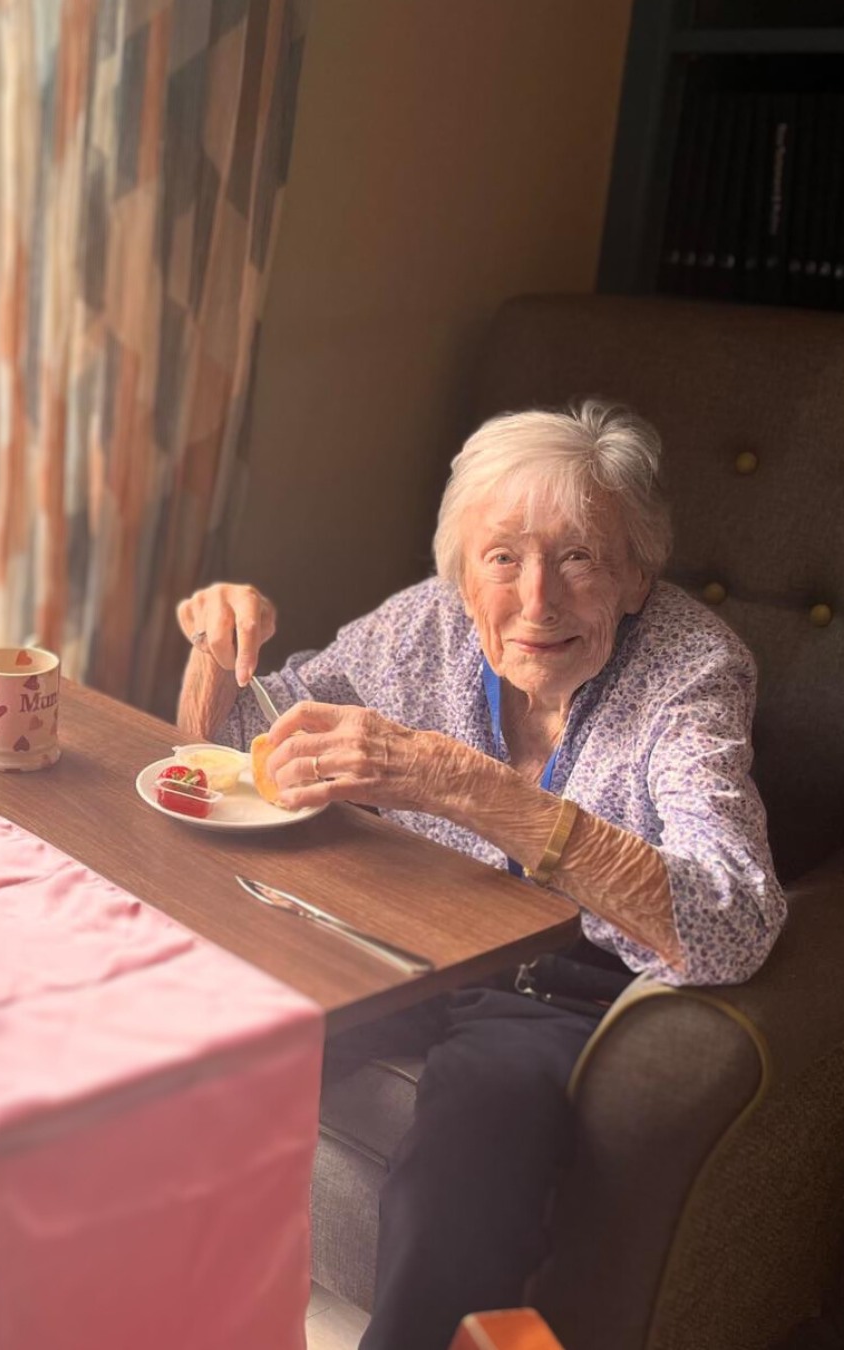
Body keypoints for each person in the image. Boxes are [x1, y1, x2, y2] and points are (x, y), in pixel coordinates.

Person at [174, 400, 785, 1350]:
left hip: (567, 986)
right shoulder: (426, 624)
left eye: (579, 557)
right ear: (463, 574)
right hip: (413, 936)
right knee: (202, 1049)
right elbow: (244, 741)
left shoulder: (693, 672)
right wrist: (215, 650)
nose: (537, 600)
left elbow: (733, 918)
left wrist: (463, 785)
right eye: (503, 558)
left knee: (465, 1157)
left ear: (637, 577)